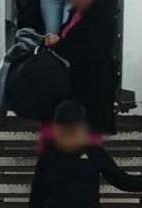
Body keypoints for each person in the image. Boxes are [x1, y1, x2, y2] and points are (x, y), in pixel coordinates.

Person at [47, 0, 118, 135]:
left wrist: (59, 44)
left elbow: (91, 50)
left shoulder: (101, 15)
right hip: (77, 82)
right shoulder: (76, 13)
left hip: (94, 84)